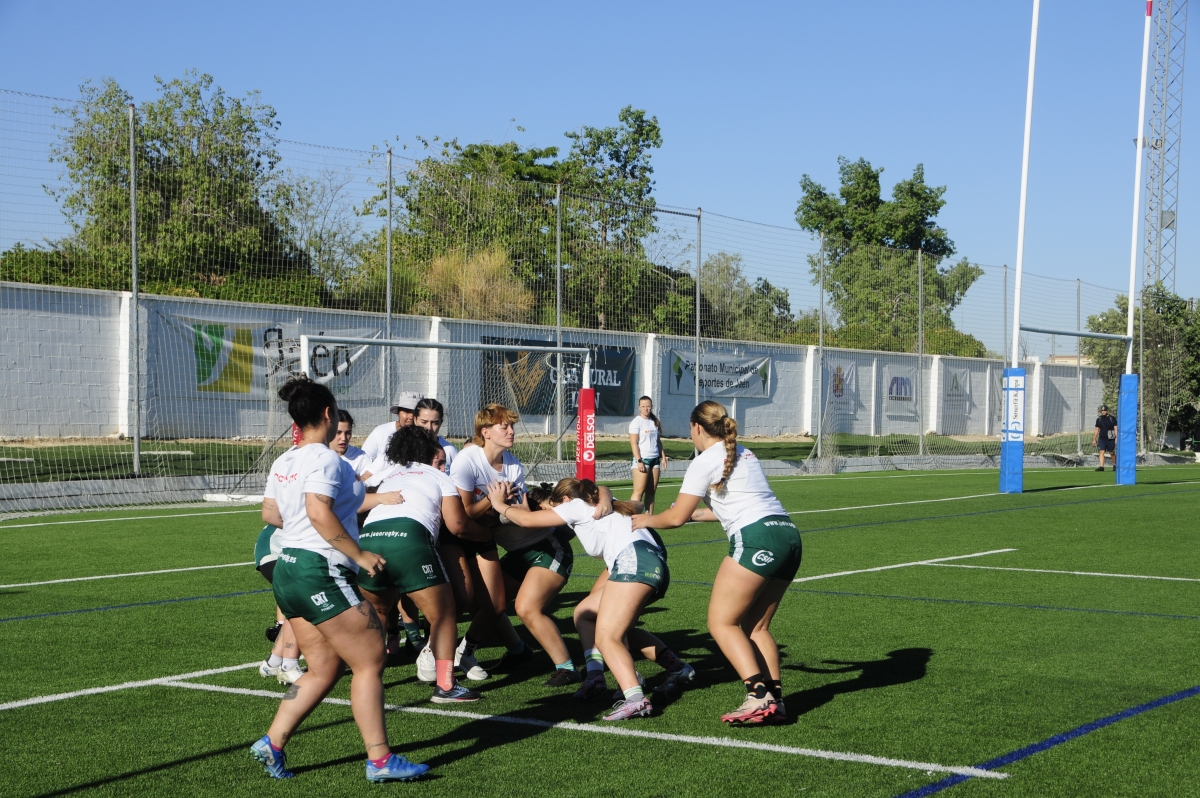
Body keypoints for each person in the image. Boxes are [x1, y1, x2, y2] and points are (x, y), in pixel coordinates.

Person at [251, 377, 429, 782]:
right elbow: (318, 511)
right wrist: (358, 553)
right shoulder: (326, 460)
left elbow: (271, 513)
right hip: (319, 570)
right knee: (370, 659)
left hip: (289, 567)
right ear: (328, 414)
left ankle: (272, 742)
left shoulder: (286, 460)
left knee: (323, 668)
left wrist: (306, 532)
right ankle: (381, 760)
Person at [632, 400, 799, 726]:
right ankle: (775, 702)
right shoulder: (744, 452)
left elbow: (675, 517)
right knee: (756, 626)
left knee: (721, 623)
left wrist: (643, 521)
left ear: (696, 428)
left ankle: (757, 695)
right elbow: (739, 506)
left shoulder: (704, 461)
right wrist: (697, 514)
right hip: (788, 536)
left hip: (758, 539)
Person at [490, 478, 694, 720]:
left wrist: (498, 504)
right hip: (641, 562)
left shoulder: (575, 505)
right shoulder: (597, 502)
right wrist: (604, 494)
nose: (553, 517)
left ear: (564, 500)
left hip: (634, 562)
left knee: (608, 636)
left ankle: (635, 698)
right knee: (586, 614)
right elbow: (620, 501)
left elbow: (526, 520)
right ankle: (664, 670)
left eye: (551, 509)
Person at [358, 425, 484, 703]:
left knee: (378, 613)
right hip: (409, 540)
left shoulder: (388, 472)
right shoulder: (437, 475)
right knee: (443, 615)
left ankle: (369, 682)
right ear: (430, 451)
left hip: (368, 540)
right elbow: (458, 525)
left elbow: (352, 498)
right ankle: (446, 686)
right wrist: (489, 534)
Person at [253, 523, 304, 685]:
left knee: (298, 599)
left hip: (289, 548)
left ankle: (273, 663)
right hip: (276, 549)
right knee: (302, 600)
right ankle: (288, 666)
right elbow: (272, 515)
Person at [361, 390, 423, 466]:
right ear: (398, 413)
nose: (411, 417)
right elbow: (363, 461)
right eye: (407, 411)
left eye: (416, 412)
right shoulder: (380, 432)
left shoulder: (426, 436)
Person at [628, 396, 666, 513]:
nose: (646, 409)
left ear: (652, 407)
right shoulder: (636, 422)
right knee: (639, 491)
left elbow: (658, 441)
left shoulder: (654, 422)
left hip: (655, 459)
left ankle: (648, 519)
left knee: (651, 492)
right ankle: (632, 516)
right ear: (639, 407)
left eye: (648, 406)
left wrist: (663, 457)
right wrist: (639, 461)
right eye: (643, 406)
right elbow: (633, 443)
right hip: (643, 459)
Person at [415, 397, 458, 473]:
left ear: (441, 423)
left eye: (435, 423)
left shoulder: (449, 451)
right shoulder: (403, 449)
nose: (429, 427)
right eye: (424, 422)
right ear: (415, 420)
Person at [332, 409, 371, 477]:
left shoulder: (360, 457)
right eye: (338, 432)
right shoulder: (317, 455)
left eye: (348, 433)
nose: (343, 438)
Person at [1094, 405, 1118, 471]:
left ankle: (1114, 465)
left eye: (1104, 410)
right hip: (1102, 438)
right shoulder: (1099, 419)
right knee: (1101, 451)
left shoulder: (1112, 418)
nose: (1103, 412)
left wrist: (1116, 437)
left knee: (1111, 452)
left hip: (1110, 438)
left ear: (1107, 411)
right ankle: (1101, 466)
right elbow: (1096, 429)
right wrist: (1094, 439)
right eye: (1102, 410)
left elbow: (1115, 428)